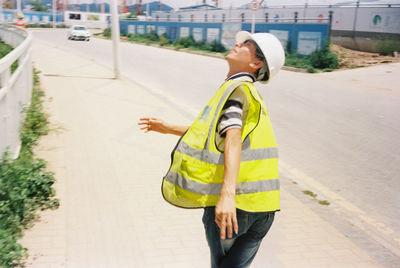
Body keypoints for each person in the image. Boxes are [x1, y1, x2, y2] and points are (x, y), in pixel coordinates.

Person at [139, 31, 285, 268]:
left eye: (246, 44)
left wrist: (226, 197)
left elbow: (233, 138)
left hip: (236, 208)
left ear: (256, 63)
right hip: (264, 208)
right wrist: (167, 128)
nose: (237, 43)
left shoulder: (236, 91)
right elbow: (215, 134)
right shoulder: (251, 95)